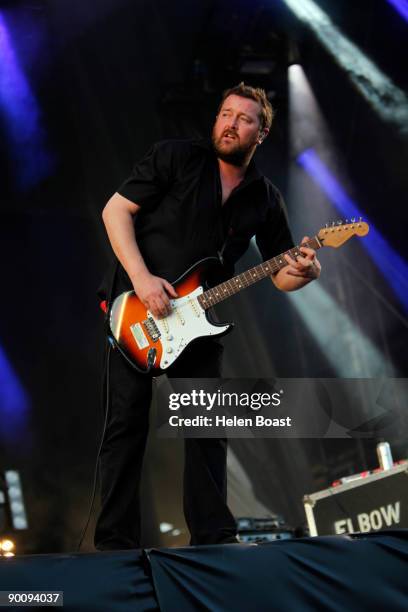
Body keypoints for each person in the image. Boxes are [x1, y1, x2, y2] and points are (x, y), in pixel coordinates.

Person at [94, 83, 321, 550]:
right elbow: (116, 211)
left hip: (197, 322)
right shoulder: (176, 157)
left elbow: (281, 275)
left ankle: (213, 540)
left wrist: (306, 270)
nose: (230, 123)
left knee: (208, 427)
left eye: (244, 118)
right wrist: (141, 278)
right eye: (225, 113)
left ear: (261, 133)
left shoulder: (265, 197)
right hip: (136, 311)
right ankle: (114, 543)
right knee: (126, 426)